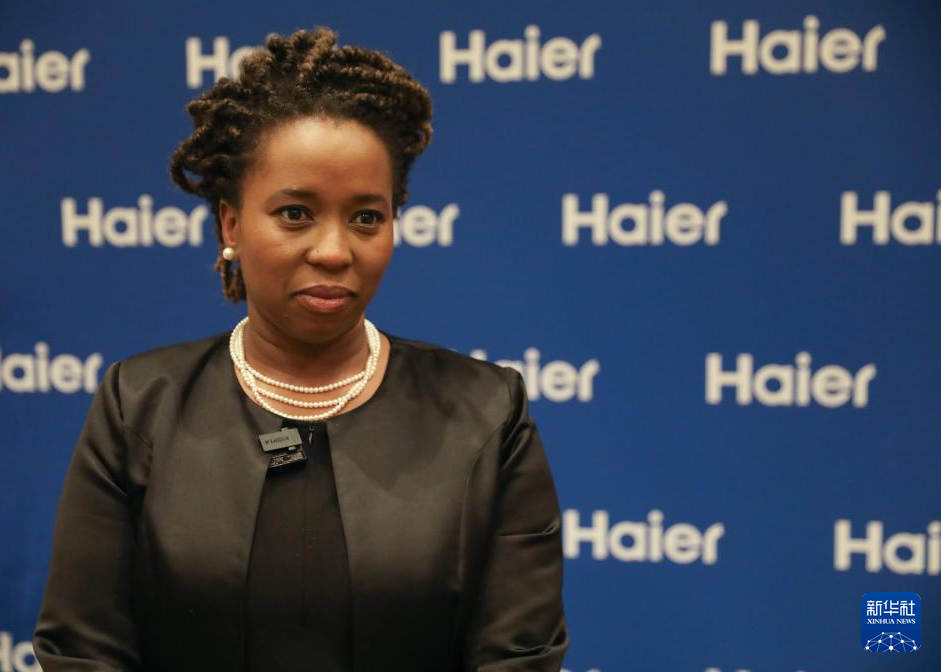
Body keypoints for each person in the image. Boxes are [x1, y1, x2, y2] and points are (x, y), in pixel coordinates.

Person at [33, 27, 567, 671]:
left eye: (366, 217)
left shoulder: (487, 411)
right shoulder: (138, 405)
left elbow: (520, 655)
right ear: (231, 223)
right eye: (295, 213)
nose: (334, 251)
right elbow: (84, 651)